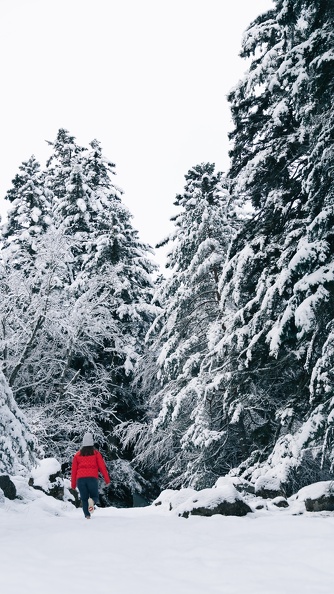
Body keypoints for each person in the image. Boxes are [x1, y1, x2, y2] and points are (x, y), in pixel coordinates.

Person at [71, 432, 111, 519]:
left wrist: (73, 484)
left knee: (84, 499)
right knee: (95, 496)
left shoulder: (77, 455)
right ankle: (92, 501)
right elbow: (102, 467)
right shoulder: (96, 454)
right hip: (92, 478)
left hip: (80, 479)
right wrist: (107, 480)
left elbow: (73, 471)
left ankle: (87, 516)